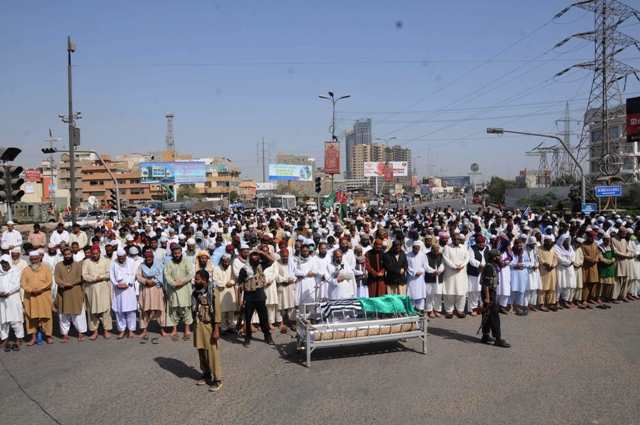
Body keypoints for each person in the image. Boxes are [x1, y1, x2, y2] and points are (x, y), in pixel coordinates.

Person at [236, 249, 275, 347]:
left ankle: (267, 336)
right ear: (249, 257)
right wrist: (239, 300)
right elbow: (240, 286)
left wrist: (262, 252)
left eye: (257, 255)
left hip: (260, 297)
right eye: (254, 255)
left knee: (264, 319)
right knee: (247, 320)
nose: (256, 257)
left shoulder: (261, 266)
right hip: (249, 298)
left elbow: (272, 260)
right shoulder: (244, 269)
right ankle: (247, 338)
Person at [192, 269, 222, 392]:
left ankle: (217, 379)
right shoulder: (195, 292)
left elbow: (217, 313)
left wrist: (216, 330)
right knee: (201, 352)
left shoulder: (213, 292)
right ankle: (206, 374)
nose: (195, 280)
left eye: (197, 279)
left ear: (204, 280)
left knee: (212, 353)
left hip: (209, 327)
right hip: (199, 326)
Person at [21, 251, 54, 345]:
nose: (34, 261)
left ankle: (48, 336)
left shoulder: (46, 268)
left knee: (46, 315)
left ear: (39, 259)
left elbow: (49, 281)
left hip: (43, 295)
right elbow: (23, 283)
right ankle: (33, 337)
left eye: (35, 259)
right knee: (31, 316)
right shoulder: (26, 270)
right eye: (32, 260)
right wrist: (31, 290)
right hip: (30, 296)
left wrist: (40, 289)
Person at [54, 248, 87, 342]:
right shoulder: (59, 265)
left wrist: (70, 283)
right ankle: (65, 334)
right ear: (63, 255)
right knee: (64, 314)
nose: (67, 256)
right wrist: (64, 284)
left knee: (78, 312)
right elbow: (56, 277)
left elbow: (81, 276)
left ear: (72, 254)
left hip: (75, 290)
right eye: (66, 254)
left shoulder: (77, 265)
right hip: (63, 292)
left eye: (69, 254)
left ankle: (81, 332)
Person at [480, 249, 511, 348]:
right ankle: (498, 339)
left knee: (487, 314)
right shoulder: (489, 267)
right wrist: (488, 297)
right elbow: (486, 284)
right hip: (489, 294)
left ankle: (485, 335)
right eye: (498, 256)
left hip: (489, 293)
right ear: (494, 257)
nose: (500, 258)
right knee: (494, 316)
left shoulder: (491, 266)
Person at [82, 245, 113, 340]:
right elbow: (84, 275)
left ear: (99, 252)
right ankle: (94, 331)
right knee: (92, 310)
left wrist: (101, 278)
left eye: (96, 253)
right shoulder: (86, 262)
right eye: (93, 253)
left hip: (102, 287)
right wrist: (94, 278)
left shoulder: (106, 261)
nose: (95, 255)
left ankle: (106, 330)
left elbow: (109, 273)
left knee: (105, 309)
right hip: (91, 288)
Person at [165, 245, 195, 340]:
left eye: (179, 253)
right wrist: (174, 283)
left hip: (185, 289)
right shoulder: (169, 263)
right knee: (173, 309)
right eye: (175, 253)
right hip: (173, 290)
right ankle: (174, 329)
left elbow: (190, 274)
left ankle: (187, 328)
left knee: (186, 309)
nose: (177, 255)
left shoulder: (186, 262)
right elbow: (167, 275)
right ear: (172, 253)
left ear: (181, 252)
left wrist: (182, 282)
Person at [136, 251, 167, 339]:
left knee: (160, 309)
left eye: (150, 260)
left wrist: (154, 281)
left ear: (153, 258)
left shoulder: (159, 264)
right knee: (144, 310)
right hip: (145, 289)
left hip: (156, 288)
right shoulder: (141, 265)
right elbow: (138, 276)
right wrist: (146, 281)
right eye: (147, 260)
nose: (148, 261)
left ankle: (162, 329)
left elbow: (162, 275)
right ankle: (144, 330)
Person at [111, 249, 138, 339]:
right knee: (119, 311)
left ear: (126, 256)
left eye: (122, 258)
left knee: (130, 310)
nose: (121, 259)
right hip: (118, 290)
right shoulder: (114, 262)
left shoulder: (131, 262)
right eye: (119, 258)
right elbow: (111, 275)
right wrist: (116, 284)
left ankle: (131, 330)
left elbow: (134, 274)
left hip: (129, 289)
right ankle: (122, 330)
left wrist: (128, 283)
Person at [442, 232, 469, 318]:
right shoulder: (447, 247)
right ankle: (449, 311)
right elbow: (446, 259)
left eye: (458, 239)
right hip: (450, 273)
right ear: (452, 239)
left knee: (461, 292)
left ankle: (460, 310)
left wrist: (462, 265)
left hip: (461, 273)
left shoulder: (464, 247)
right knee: (449, 292)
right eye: (455, 239)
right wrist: (454, 267)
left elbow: (467, 258)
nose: (457, 240)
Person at [0, 255, 23, 351]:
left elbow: (17, 284)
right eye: (2, 263)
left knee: (15, 319)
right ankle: (5, 339)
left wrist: (6, 293)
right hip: (1, 299)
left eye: (6, 263)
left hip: (13, 298)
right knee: (2, 321)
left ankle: (18, 338)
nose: (4, 265)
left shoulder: (16, 271)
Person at [212, 253, 237, 335]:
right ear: (222, 261)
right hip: (221, 291)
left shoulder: (231, 268)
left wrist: (231, 283)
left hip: (230, 291)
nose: (227, 264)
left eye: (228, 262)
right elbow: (215, 279)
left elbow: (233, 279)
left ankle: (231, 326)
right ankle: (223, 327)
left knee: (231, 311)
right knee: (222, 311)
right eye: (225, 262)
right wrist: (225, 284)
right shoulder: (216, 269)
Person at [275, 247, 296, 332]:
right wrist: (285, 280)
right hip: (282, 286)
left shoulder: (291, 262)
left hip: (290, 286)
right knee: (280, 306)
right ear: (280, 255)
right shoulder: (276, 263)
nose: (285, 258)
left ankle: (292, 322)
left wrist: (291, 280)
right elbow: (277, 275)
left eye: (286, 256)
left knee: (291, 305)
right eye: (283, 256)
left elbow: (295, 272)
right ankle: (281, 323)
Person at [466, 235, 488, 317]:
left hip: (484, 273)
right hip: (475, 273)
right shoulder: (471, 248)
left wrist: (485, 267)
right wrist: (479, 265)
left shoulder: (487, 248)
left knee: (483, 291)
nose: (482, 246)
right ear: (477, 243)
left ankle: (482, 308)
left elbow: (489, 259)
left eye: (483, 244)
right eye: (480, 244)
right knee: (474, 291)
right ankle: (473, 309)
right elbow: (471, 259)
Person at [538, 235, 558, 312]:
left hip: (552, 270)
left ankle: (550, 303)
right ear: (545, 241)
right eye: (548, 241)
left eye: (550, 241)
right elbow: (540, 259)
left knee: (552, 288)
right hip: (544, 270)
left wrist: (553, 265)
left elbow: (556, 258)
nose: (549, 243)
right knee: (543, 288)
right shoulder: (539, 249)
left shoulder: (553, 249)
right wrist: (548, 265)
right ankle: (541, 304)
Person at [406, 241, 427, 312]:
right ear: (412, 248)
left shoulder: (422, 255)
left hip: (420, 278)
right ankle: (412, 310)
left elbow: (424, 265)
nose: (417, 251)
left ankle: (420, 309)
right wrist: (414, 273)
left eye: (418, 249)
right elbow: (407, 266)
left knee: (420, 294)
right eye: (415, 249)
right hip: (411, 277)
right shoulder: (408, 255)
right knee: (411, 293)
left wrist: (420, 272)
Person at [424, 243, 444, 318]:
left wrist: (438, 271)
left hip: (439, 276)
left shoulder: (441, 255)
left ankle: (437, 310)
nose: (436, 253)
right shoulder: (426, 255)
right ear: (431, 249)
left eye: (437, 251)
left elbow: (443, 264)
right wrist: (433, 271)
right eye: (435, 251)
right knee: (430, 294)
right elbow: (426, 266)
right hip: (430, 277)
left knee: (438, 294)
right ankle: (430, 310)